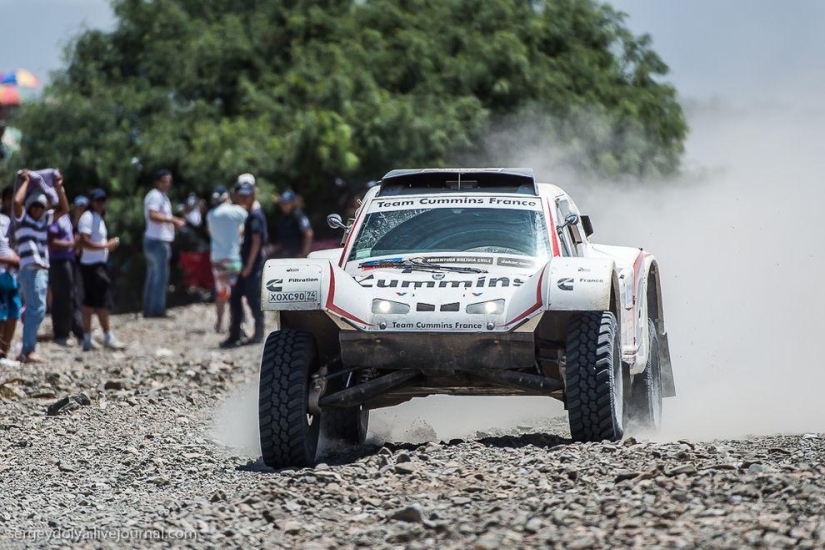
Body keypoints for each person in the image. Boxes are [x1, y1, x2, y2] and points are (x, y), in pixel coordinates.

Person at [13, 169, 70, 363]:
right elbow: (16, 203)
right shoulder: (22, 221)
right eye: (34, 206)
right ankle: (28, 350)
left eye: (40, 206)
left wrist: (58, 187)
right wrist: (26, 183)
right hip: (30, 268)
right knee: (36, 309)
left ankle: (27, 347)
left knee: (37, 309)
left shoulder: (44, 221)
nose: (37, 209)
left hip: (42, 269)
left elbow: (64, 209)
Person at [77, 189, 124, 351]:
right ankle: (107, 336)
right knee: (101, 302)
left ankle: (87, 338)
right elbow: (84, 240)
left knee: (89, 303)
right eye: (97, 200)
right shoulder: (88, 218)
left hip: (97, 263)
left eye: (103, 200)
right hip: (92, 264)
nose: (100, 204)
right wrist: (106, 246)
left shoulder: (98, 218)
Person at [221, 180, 267, 348]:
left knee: (253, 299)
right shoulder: (247, 214)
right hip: (241, 264)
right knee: (235, 299)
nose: (243, 198)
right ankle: (234, 334)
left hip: (250, 266)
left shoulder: (255, 215)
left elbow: (257, 241)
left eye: (246, 195)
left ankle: (259, 332)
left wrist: (248, 266)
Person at [142, 169, 185, 318]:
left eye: (169, 182)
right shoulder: (155, 196)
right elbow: (153, 215)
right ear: (158, 182)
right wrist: (173, 220)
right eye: (165, 182)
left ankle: (148, 309)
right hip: (157, 240)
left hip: (156, 239)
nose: (167, 185)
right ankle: (157, 310)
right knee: (160, 276)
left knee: (153, 276)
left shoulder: (162, 197)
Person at [205, 184, 247, 333]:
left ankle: (219, 323)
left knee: (222, 292)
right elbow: (245, 229)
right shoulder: (237, 211)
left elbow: (210, 233)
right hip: (233, 257)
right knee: (236, 293)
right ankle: (238, 321)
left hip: (217, 257)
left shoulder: (211, 214)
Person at [47, 200, 84, 346]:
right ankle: (61, 333)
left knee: (72, 296)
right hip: (57, 261)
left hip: (69, 260)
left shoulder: (66, 218)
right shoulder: (52, 218)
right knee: (62, 297)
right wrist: (71, 244)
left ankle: (78, 331)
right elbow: (52, 241)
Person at [0, 187, 21, 360]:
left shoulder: (16, 222)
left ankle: (4, 354)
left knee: (14, 313)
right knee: (1, 316)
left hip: (13, 275)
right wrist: (9, 261)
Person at [274, 190, 313, 258]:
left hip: (297, 255)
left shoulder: (298, 215)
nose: (283, 206)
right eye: (282, 203)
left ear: (292, 203)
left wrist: (304, 254)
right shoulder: (284, 217)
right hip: (287, 254)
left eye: (286, 203)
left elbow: (308, 234)